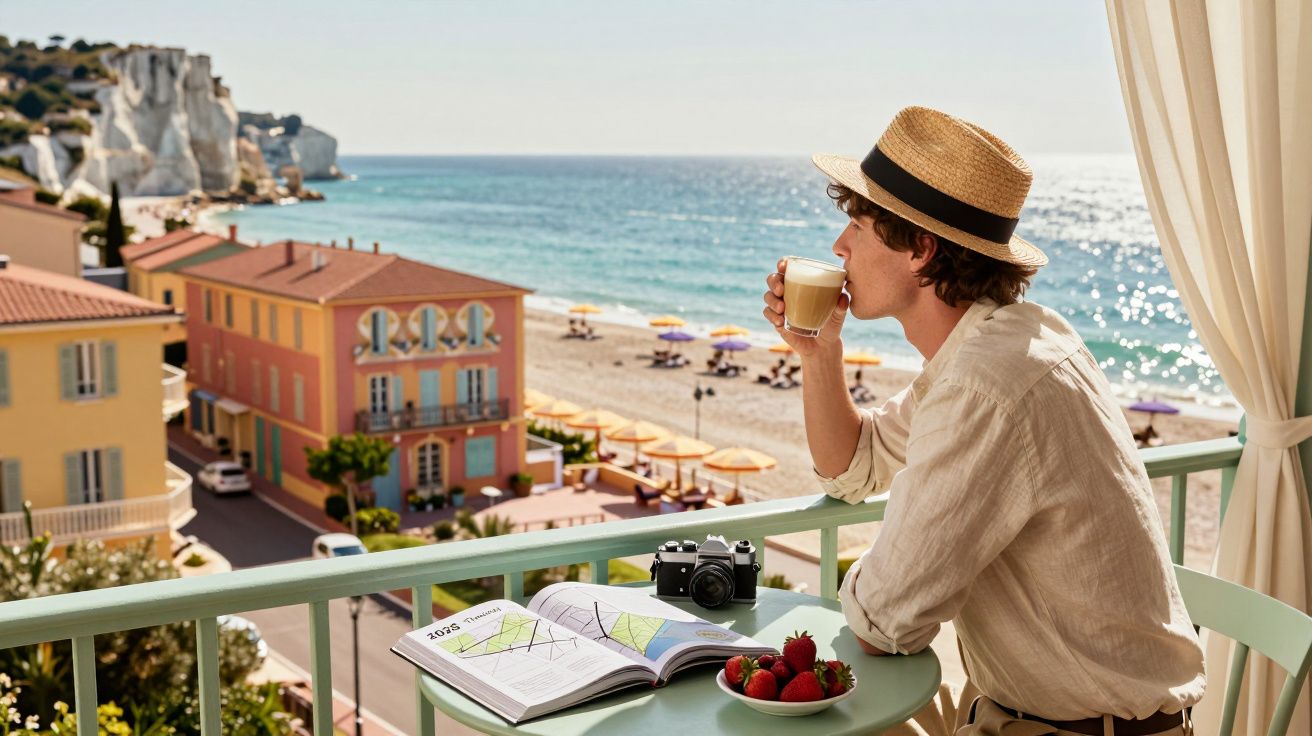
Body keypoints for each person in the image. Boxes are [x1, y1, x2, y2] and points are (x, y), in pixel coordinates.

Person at [762, 107, 1203, 735]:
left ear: (921, 249)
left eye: (858, 225)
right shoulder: (1008, 341)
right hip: (1025, 713)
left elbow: (886, 621)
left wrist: (901, 551)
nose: (839, 247)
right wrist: (819, 353)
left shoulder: (986, 384)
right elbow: (851, 470)